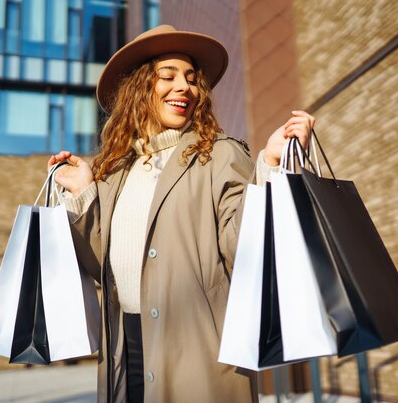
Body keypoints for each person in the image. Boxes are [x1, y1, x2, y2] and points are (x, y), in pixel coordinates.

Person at [47, 25, 315, 403]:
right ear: (140, 89)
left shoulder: (219, 155)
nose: (184, 87)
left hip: (198, 354)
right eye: (167, 76)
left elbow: (246, 253)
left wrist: (270, 165)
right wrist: (84, 192)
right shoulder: (117, 170)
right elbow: (101, 266)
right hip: (126, 350)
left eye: (191, 79)